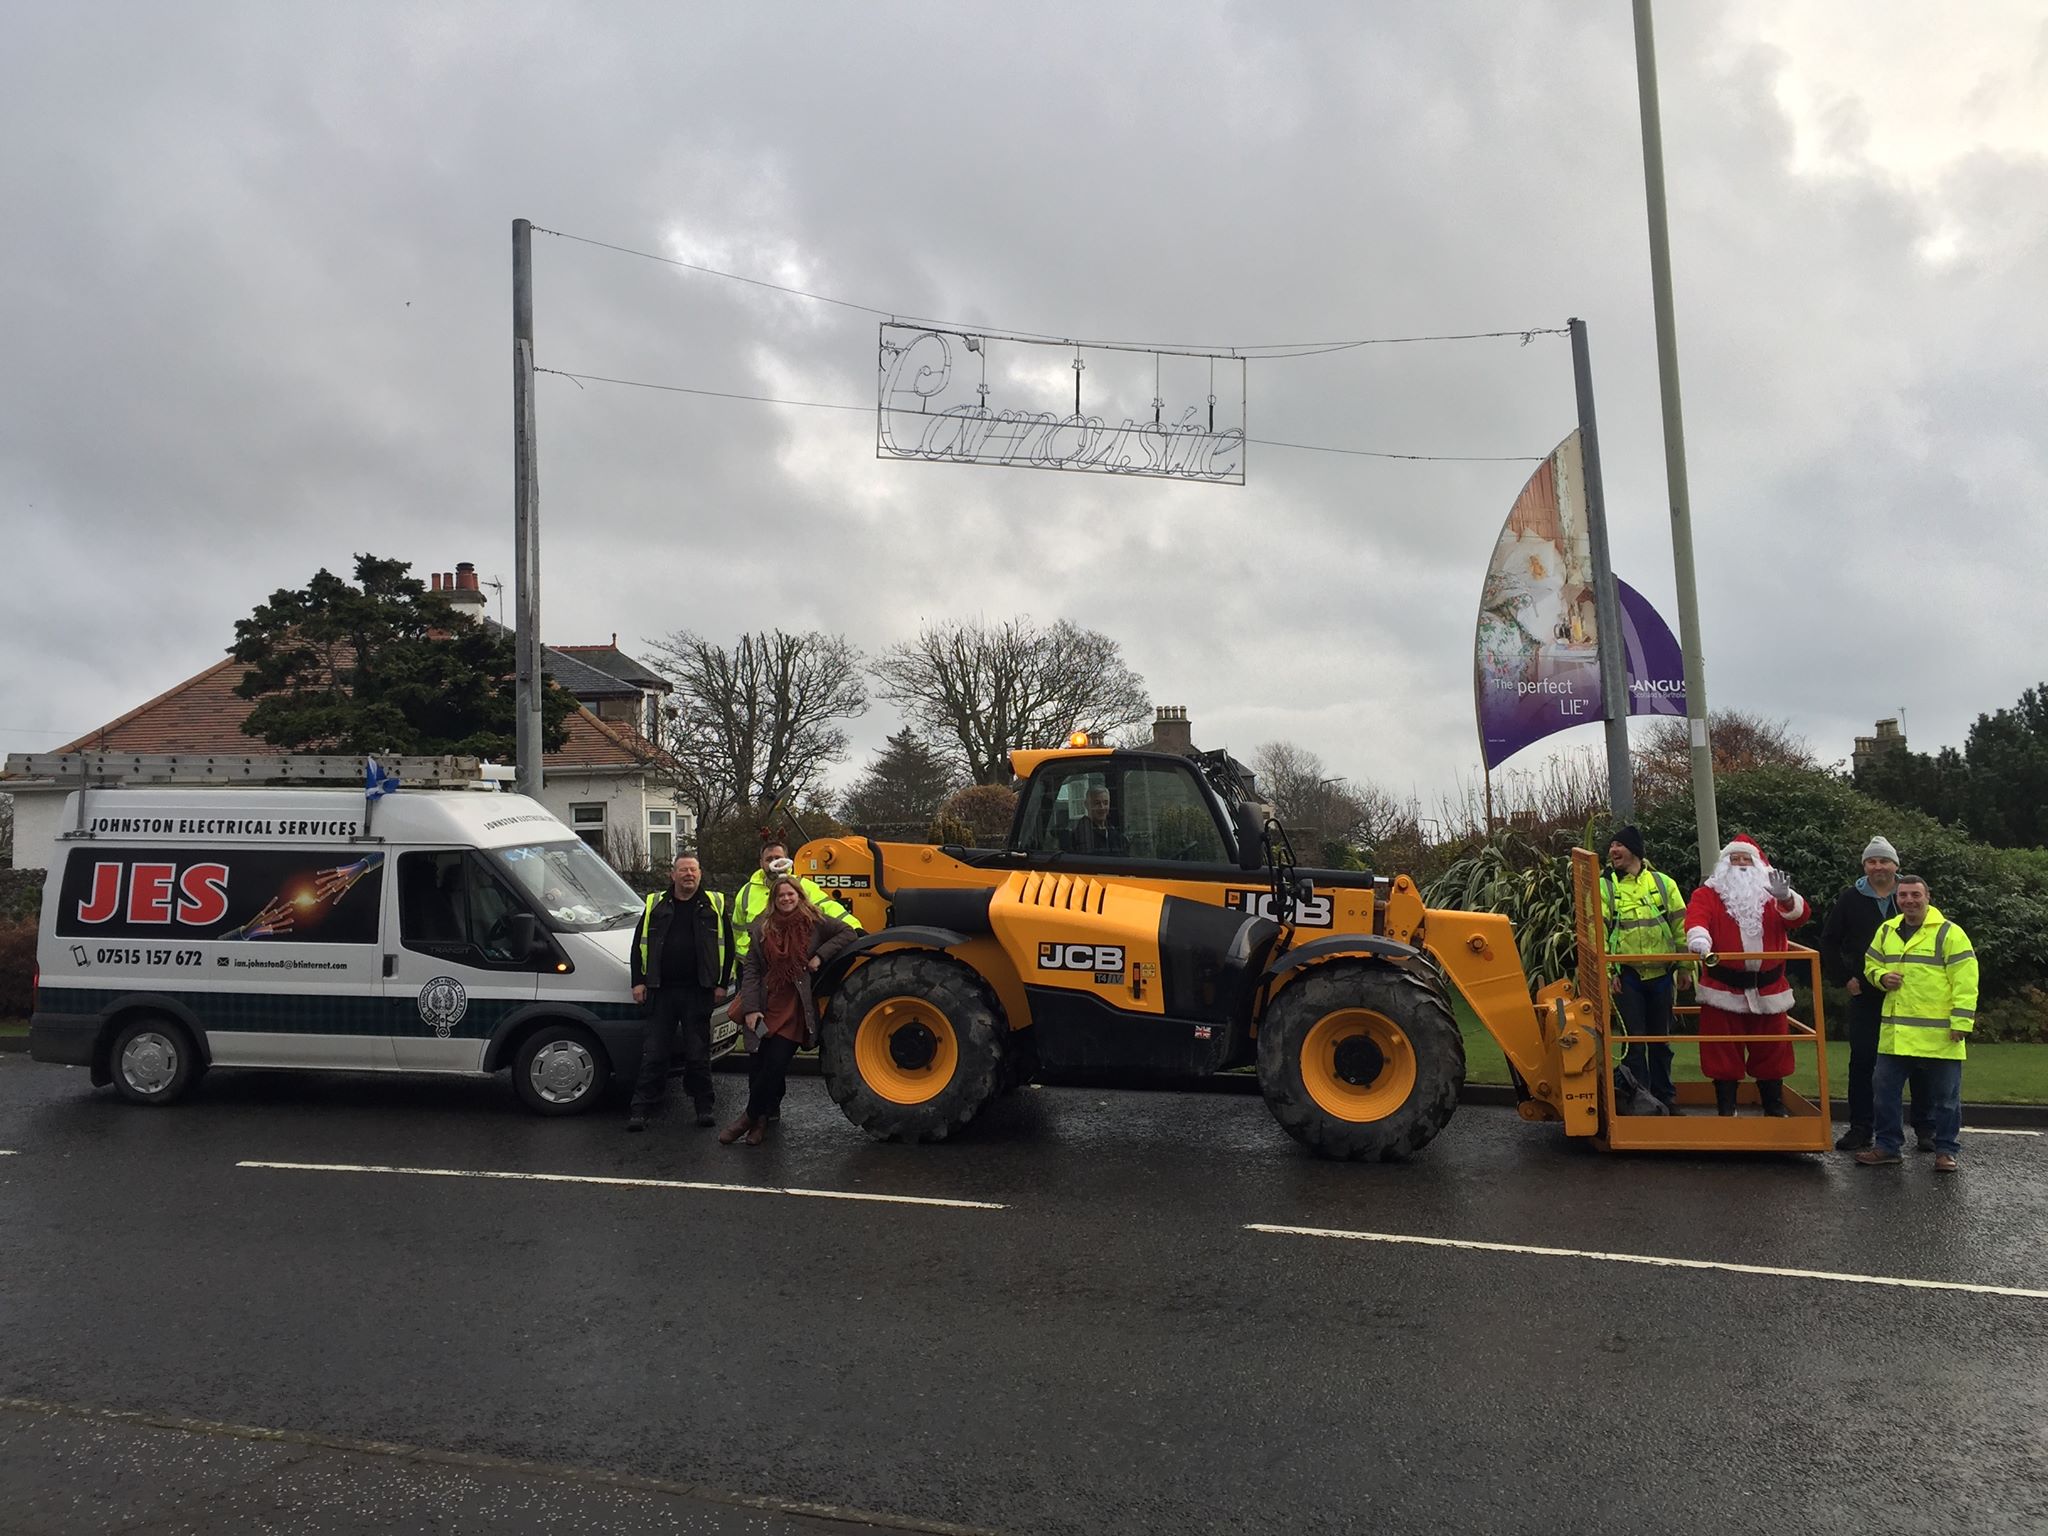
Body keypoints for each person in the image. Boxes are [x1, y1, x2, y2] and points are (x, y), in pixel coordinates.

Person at [1819, 835, 1934, 1152]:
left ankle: (1926, 1128)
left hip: (1912, 996)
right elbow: (1828, 941)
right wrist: (1845, 978)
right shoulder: (1850, 899)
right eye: (1872, 861)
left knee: (1919, 1062)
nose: (1878, 866)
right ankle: (1861, 1128)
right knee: (1863, 1062)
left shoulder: (1911, 896)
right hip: (1867, 996)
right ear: (1864, 866)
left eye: (1884, 861)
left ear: (1895, 865)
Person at [724, 875, 859, 1146]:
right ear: (774, 900)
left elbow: (848, 932)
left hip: (794, 1008)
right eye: (780, 895)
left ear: (799, 895)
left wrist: (820, 955)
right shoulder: (762, 927)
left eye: (790, 894)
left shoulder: (815, 922)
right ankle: (759, 1124)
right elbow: (751, 970)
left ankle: (747, 1118)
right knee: (758, 1065)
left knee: (775, 1065)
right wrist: (751, 1010)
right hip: (765, 1005)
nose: (786, 899)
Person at [1683, 835, 1811, 1117]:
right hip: (1722, 988)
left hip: (1769, 989)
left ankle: (1774, 1105)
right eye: (1734, 859)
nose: (1740, 865)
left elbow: (1799, 918)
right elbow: (1696, 918)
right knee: (1722, 1051)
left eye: (1746, 859)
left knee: (1773, 1049)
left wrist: (1787, 897)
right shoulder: (1707, 894)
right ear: (1724, 865)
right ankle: (1726, 1108)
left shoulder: (1773, 896)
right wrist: (1700, 939)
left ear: (1758, 864)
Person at [1855, 874, 1976, 1172]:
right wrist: (1881, 978)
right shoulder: (1887, 930)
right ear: (1897, 899)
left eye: (1915, 895)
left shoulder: (1950, 933)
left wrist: (1962, 1021)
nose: (1909, 900)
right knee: (1883, 1091)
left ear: (1928, 897)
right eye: (1903, 895)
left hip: (1940, 1034)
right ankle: (1887, 1147)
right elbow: (1870, 964)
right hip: (1897, 1032)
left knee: (1946, 1099)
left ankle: (1946, 1151)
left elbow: (1966, 980)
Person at [626, 853, 734, 1132]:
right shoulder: (655, 904)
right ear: (672, 875)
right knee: (655, 1053)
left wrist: (721, 983)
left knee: (698, 1054)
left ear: (700, 874)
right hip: (661, 991)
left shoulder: (714, 904)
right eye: (683, 870)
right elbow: (639, 946)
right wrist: (638, 981)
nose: (689, 874)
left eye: (694, 870)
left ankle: (703, 1107)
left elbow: (729, 948)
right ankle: (641, 1109)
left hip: (698, 990)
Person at [1600, 825, 1690, 1113]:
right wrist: (1609, 972)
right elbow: (1597, 932)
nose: (1613, 850)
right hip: (1627, 977)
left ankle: (1666, 1098)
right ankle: (1640, 1102)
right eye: (1611, 845)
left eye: (1619, 845)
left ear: (1635, 850)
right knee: (1634, 1044)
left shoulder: (1664, 884)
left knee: (1661, 1043)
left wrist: (1686, 967)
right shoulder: (1606, 887)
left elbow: (1681, 927)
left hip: (1663, 976)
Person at [730, 837, 860, 972]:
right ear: (761, 863)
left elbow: (828, 907)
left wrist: (855, 927)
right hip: (753, 965)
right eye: (769, 859)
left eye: (778, 858)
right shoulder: (746, 891)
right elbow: (737, 930)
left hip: (788, 964)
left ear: (787, 860)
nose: (775, 863)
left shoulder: (802, 886)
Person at [1066, 785, 1128, 855]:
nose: (1102, 807)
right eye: (1097, 803)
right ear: (1086, 805)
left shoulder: (1115, 834)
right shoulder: (1081, 834)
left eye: (1105, 803)